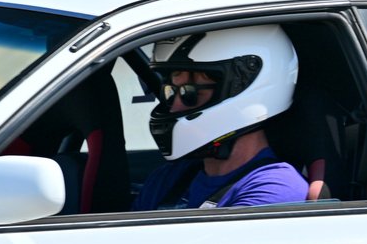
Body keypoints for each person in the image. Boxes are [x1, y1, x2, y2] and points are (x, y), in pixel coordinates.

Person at [132, 24, 309, 210]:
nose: (175, 107)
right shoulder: (168, 178)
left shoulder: (275, 190)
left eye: (189, 94)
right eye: (172, 92)